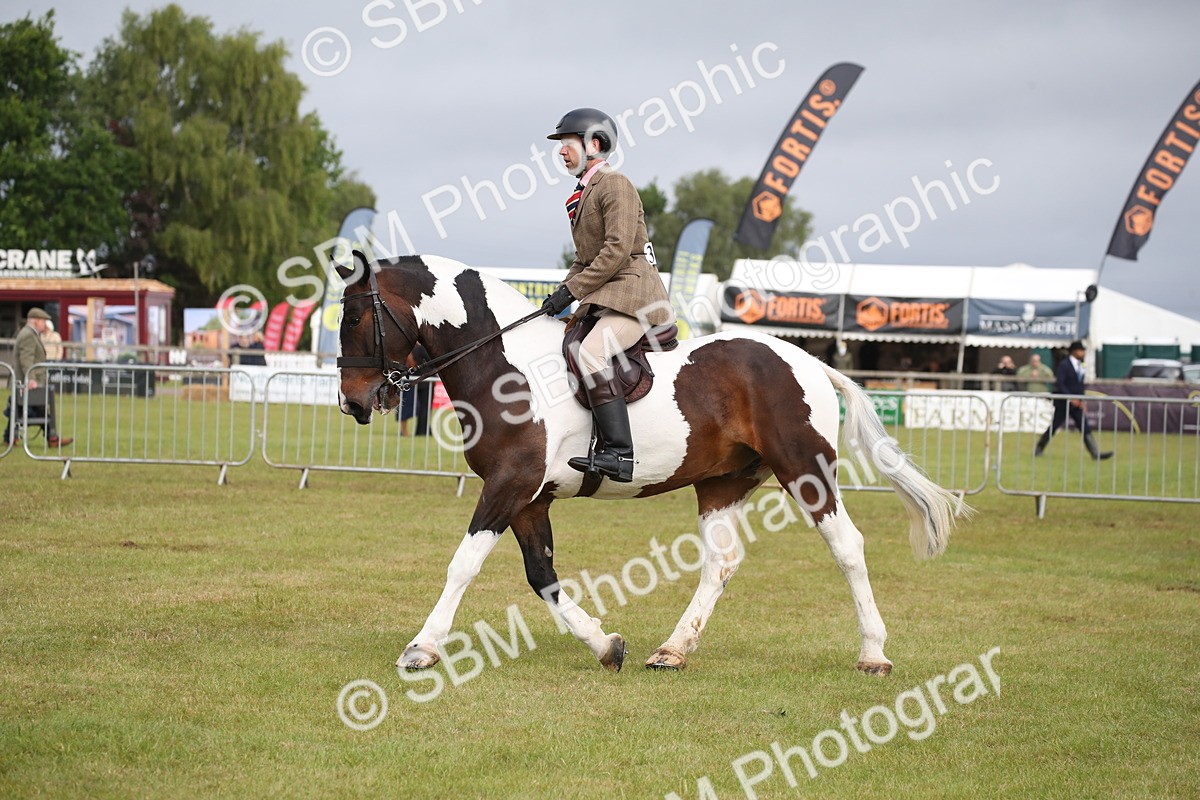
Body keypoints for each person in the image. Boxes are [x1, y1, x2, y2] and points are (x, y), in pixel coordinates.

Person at [543, 107, 673, 483]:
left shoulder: (615, 184)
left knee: (591, 352)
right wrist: (559, 294)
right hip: (608, 294)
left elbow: (616, 251)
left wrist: (572, 291)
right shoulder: (583, 192)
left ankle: (619, 452)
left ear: (594, 144)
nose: (561, 152)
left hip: (635, 294)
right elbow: (585, 260)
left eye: (567, 144)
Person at [4, 308, 72, 447]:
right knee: (38, 408)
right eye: (43, 321)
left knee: (18, 409)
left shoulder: (28, 333)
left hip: (24, 381)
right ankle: (52, 438)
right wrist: (31, 378)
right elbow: (26, 359)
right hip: (27, 382)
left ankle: (9, 438)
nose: (45, 324)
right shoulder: (29, 335)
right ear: (36, 321)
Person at [1035, 340, 1111, 460]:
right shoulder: (1064, 365)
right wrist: (1071, 398)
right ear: (1074, 351)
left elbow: (1080, 385)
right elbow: (1060, 383)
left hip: (1077, 403)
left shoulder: (1081, 365)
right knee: (1054, 427)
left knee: (1084, 426)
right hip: (1064, 403)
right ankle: (1039, 448)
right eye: (1081, 350)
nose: (1083, 353)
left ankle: (1095, 453)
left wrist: (1081, 400)